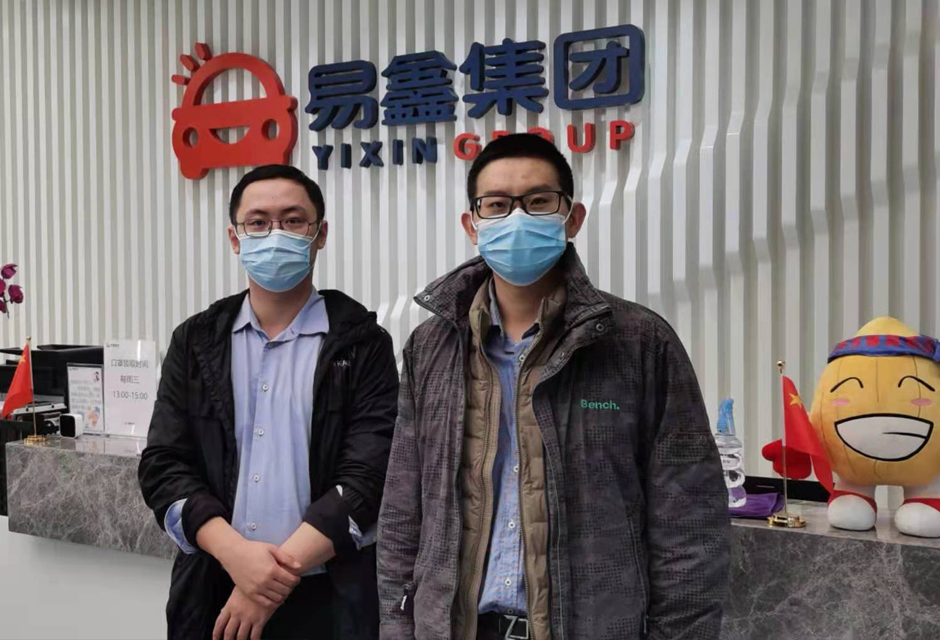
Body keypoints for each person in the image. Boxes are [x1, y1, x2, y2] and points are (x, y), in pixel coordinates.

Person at [377, 134, 730, 640]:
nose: (517, 217)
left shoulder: (638, 342)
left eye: (539, 201)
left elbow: (689, 521)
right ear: (472, 224)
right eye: (496, 205)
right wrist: (397, 626)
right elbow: (402, 509)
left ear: (573, 218)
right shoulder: (432, 346)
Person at [139, 164, 398, 640]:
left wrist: (264, 585)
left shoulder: (363, 343)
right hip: (213, 590)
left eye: (293, 220)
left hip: (331, 597)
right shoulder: (196, 341)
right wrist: (236, 555)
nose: (275, 233)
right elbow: (164, 464)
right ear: (235, 238)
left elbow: (371, 473)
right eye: (257, 222)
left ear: (320, 234)